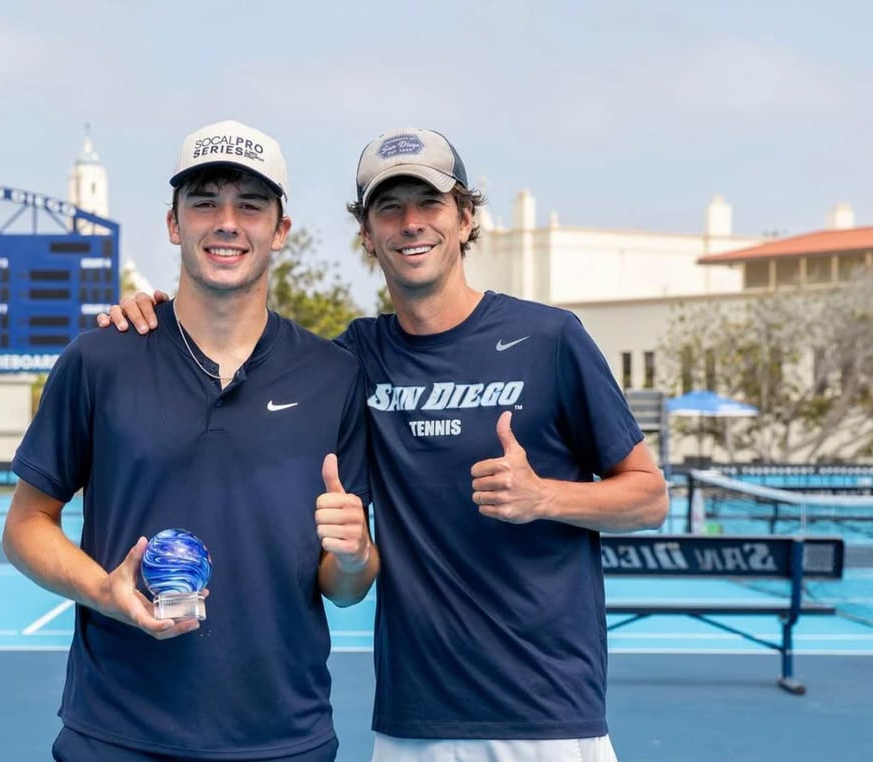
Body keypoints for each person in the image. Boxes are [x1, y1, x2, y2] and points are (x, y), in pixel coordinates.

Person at [104, 127, 670, 762]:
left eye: (429, 203)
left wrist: (545, 496)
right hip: (413, 721)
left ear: (465, 218)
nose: (410, 224)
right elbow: (241, 343)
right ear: (367, 233)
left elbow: (649, 498)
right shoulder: (351, 360)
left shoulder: (551, 339)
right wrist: (150, 312)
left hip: (549, 714)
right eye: (389, 208)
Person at [3, 119, 377, 762]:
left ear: (280, 230)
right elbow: (25, 527)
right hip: (116, 735)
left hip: (283, 738)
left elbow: (346, 585)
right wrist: (102, 591)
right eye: (204, 202)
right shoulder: (99, 361)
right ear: (174, 224)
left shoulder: (335, 376)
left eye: (250, 206)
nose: (226, 222)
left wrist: (354, 555)